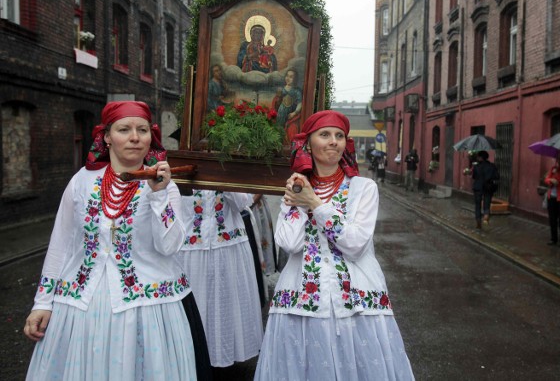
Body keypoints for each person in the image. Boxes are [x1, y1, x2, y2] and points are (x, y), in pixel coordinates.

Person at [23, 101, 208, 380]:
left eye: (142, 130)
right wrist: (42, 303)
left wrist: (158, 195)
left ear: (151, 137)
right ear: (107, 137)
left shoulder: (164, 185)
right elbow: (61, 244)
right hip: (81, 307)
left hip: (149, 310)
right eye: (124, 129)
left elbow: (170, 247)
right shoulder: (81, 182)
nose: (135, 137)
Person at [254, 110, 415, 380]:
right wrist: (300, 196)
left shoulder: (363, 188)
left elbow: (354, 245)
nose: (333, 141)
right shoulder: (296, 187)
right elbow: (289, 244)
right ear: (308, 144)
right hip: (301, 302)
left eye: (339, 136)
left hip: (356, 302)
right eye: (325, 134)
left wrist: (315, 204)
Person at [178, 189, 264, 369]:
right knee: (196, 305)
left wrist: (224, 178)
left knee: (227, 304)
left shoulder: (227, 164)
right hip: (190, 247)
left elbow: (241, 203)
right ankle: (195, 358)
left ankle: (225, 357)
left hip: (227, 244)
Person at [272, 68, 303, 142]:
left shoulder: (296, 91)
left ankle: (285, 142)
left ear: (295, 79)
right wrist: (278, 98)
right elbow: (277, 101)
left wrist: (294, 113)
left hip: (290, 112)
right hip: (281, 111)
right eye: (287, 76)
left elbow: (300, 103)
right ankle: (277, 142)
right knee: (279, 127)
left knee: (287, 129)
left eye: (291, 77)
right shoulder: (282, 89)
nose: (288, 78)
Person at [472, 150, 499, 229]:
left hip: (478, 187)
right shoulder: (492, 166)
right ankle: (486, 216)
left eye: (478, 156)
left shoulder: (476, 166)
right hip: (488, 187)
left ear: (481, 158)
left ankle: (478, 221)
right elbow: (497, 176)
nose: (477, 158)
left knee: (477, 205)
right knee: (487, 203)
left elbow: (474, 177)